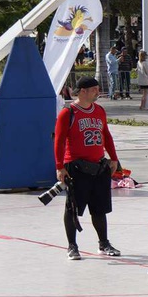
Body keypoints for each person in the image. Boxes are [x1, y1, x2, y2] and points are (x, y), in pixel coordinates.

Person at [54, 76, 121, 260]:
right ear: (83, 91)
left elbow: (106, 134)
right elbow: (59, 141)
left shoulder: (99, 110)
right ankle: (72, 246)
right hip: (76, 167)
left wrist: (113, 158)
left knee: (100, 208)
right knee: (73, 209)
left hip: (98, 166)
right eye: (94, 90)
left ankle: (104, 243)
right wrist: (60, 166)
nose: (97, 93)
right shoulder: (68, 113)